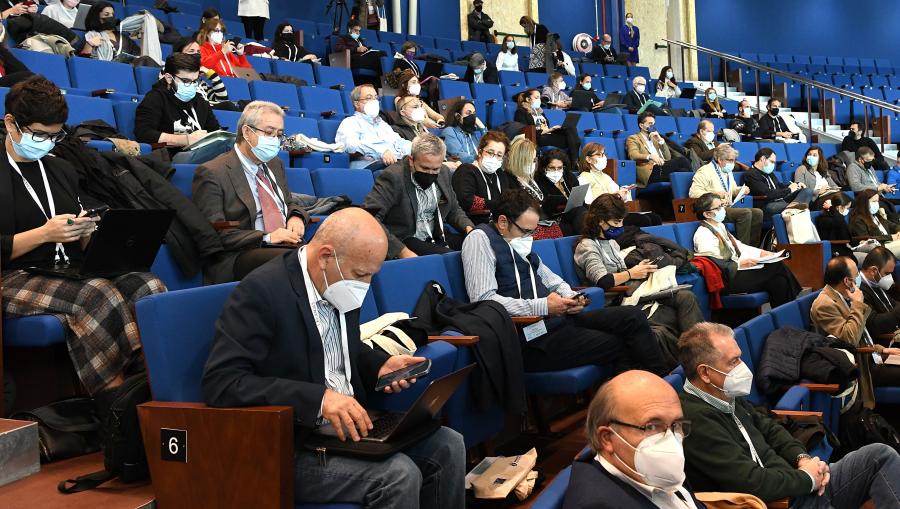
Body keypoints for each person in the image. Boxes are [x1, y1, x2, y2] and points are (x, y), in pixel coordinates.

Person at [201, 207, 466, 509]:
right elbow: (222, 382)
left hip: (345, 429)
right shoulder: (262, 292)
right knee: (398, 476)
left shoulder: (339, 281)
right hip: (291, 444)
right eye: (361, 274)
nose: (365, 285)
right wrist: (320, 399)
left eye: (371, 275)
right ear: (326, 256)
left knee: (448, 445)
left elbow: (341, 350)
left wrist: (379, 364)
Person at [1, 76, 165, 409]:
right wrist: (44, 234)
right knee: (97, 294)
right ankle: (118, 403)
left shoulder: (60, 168)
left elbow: (81, 233)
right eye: (38, 135)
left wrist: (90, 232)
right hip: (11, 276)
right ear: (10, 123)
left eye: (54, 135)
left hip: (67, 268)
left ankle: (158, 384)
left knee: (147, 285)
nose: (47, 142)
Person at [677, 322, 900, 507]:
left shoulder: (724, 395)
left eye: (740, 358)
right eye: (733, 361)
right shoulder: (695, 420)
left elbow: (771, 428)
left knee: (880, 456)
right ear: (705, 373)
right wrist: (808, 479)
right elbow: (752, 483)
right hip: (785, 501)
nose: (742, 367)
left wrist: (803, 459)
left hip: (797, 483)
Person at [461, 188, 670, 376]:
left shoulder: (517, 241)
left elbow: (550, 279)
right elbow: (484, 300)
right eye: (526, 231)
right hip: (527, 336)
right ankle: (636, 400)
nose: (530, 237)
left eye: (533, 231)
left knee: (632, 317)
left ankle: (663, 381)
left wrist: (571, 297)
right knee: (618, 342)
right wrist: (543, 306)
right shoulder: (480, 239)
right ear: (503, 222)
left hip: (555, 321)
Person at [192, 101, 309, 284]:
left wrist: (296, 216)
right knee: (297, 262)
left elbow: (289, 202)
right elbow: (213, 234)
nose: (275, 141)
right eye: (269, 133)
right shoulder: (212, 172)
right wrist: (267, 237)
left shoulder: (274, 164)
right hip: (238, 255)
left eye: (279, 135)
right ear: (247, 132)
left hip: (285, 246)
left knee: (333, 250)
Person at [576, 196, 703, 359]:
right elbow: (603, 281)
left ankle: (698, 354)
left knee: (686, 297)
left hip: (634, 293)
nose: (621, 227)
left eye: (622, 221)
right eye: (616, 222)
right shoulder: (587, 246)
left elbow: (620, 272)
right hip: (616, 302)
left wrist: (641, 269)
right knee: (672, 317)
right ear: (600, 221)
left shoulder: (612, 243)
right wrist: (632, 273)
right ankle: (691, 360)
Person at [565, 370, 708, 509]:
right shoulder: (598, 504)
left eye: (676, 424)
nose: (670, 439)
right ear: (607, 438)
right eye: (652, 427)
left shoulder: (648, 471)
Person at [363, 133, 474, 259]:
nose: (430, 173)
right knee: (452, 258)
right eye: (425, 168)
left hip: (436, 235)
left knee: (480, 247)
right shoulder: (393, 177)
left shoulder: (443, 172)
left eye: (435, 169)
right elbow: (370, 217)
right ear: (411, 160)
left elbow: (453, 209)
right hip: (406, 238)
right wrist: (401, 251)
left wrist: (469, 229)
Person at [811, 256, 900, 402]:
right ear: (847, 281)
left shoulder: (843, 296)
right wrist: (858, 305)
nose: (859, 278)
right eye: (856, 276)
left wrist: (881, 349)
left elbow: (861, 333)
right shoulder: (824, 304)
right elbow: (849, 339)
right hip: (861, 365)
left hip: (872, 355)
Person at [692, 193, 800, 307]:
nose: (723, 210)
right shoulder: (703, 234)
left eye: (722, 206)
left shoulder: (719, 226)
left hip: (736, 271)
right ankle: (798, 306)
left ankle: (784, 318)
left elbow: (738, 246)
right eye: (718, 208)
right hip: (727, 278)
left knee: (779, 282)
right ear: (707, 214)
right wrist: (740, 264)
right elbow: (713, 263)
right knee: (776, 266)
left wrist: (761, 253)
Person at [135, 53, 223, 163]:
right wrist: (186, 139)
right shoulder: (155, 98)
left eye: (194, 81)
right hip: (173, 156)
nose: (191, 86)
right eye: (185, 81)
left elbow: (215, 130)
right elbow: (144, 134)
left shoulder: (201, 102)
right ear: (169, 78)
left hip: (203, 153)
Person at [689, 144, 762, 246]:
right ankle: (742, 249)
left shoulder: (727, 171)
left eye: (734, 160)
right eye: (730, 160)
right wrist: (714, 194)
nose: (733, 163)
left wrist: (741, 190)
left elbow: (731, 190)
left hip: (727, 206)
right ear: (719, 159)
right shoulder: (705, 171)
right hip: (714, 209)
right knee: (745, 213)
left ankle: (754, 247)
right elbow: (693, 193)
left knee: (758, 212)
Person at [576, 142, 661, 227]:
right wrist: (616, 196)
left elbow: (617, 194)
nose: (604, 158)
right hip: (604, 217)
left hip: (616, 212)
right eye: (599, 155)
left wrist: (624, 192)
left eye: (604, 154)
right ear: (588, 159)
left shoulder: (606, 176)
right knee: (644, 220)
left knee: (655, 218)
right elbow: (589, 204)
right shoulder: (583, 178)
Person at [335, 84, 411, 170]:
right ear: (357, 104)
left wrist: (416, 149)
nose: (374, 101)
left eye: (375, 97)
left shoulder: (382, 124)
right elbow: (350, 145)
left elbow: (398, 141)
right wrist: (381, 151)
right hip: (372, 165)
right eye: (368, 98)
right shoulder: (350, 122)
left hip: (396, 163)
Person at [451, 131, 515, 225]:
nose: (494, 158)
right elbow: (467, 201)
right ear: (480, 152)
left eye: (499, 155)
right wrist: (499, 204)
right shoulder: (466, 170)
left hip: (501, 223)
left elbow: (509, 199)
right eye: (490, 152)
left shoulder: (500, 174)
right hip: (476, 224)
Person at [515, 88, 581, 164]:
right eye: (536, 98)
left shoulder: (540, 111)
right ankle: (575, 161)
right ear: (527, 99)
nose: (539, 100)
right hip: (537, 137)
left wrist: (554, 129)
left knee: (570, 128)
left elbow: (545, 125)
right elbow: (525, 130)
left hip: (548, 135)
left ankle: (574, 161)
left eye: (539, 98)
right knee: (573, 141)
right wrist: (548, 130)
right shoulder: (521, 111)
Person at [743, 147, 814, 218]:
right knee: (799, 207)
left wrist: (795, 184)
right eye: (772, 162)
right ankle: (794, 207)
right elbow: (768, 193)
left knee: (808, 191)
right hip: (767, 204)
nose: (773, 165)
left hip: (780, 200)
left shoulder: (768, 172)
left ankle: (793, 207)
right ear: (763, 159)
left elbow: (779, 186)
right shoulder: (751, 174)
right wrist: (789, 190)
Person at [626, 112, 691, 187]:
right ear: (641, 125)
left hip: (663, 168)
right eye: (650, 123)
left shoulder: (655, 138)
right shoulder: (633, 138)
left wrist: (661, 141)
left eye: (653, 123)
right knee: (682, 160)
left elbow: (667, 157)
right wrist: (650, 156)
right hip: (650, 172)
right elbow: (633, 155)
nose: (652, 126)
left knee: (683, 172)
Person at [534, 149, 587, 236]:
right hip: (554, 217)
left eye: (559, 168)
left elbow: (581, 201)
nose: (556, 171)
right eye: (552, 168)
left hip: (573, 215)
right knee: (578, 215)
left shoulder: (569, 177)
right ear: (544, 168)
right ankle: (589, 238)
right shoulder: (539, 180)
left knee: (581, 211)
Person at [170, 37, 230, 108]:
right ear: (179, 54)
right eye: (191, 51)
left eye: (198, 52)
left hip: (206, 112)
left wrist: (212, 74)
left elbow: (222, 100)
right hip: (188, 110)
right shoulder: (170, 72)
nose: (196, 55)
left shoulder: (200, 82)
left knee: (235, 105)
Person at [858, 247, 900, 337]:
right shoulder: (858, 291)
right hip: (883, 342)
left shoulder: (875, 282)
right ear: (874, 271)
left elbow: (894, 304)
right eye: (887, 273)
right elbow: (874, 324)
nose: (890, 278)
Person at [794, 145, 842, 210]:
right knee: (839, 200)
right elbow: (799, 190)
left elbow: (833, 185)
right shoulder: (801, 169)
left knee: (845, 198)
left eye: (814, 155)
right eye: (809, 154)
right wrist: (818, 191)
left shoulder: (823, 171)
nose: (811, 157)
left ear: (820, 158)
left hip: (829, 194)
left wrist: (834, 189)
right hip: (815, 200)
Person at [682, 120, 747, 168]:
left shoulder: (714, 141)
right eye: (709, 131)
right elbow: (698, 157)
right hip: (706, 167)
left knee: (736, 167)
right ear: (701, 131)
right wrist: (717, 149)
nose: (712, 134)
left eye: (712, 131)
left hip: (719, 164)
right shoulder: (693, 141)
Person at [442, 99, 486, 165]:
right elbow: (459, 156)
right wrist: (482, 160)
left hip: (478, 166)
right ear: (458, 116)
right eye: (468, 113)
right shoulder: (449, 131)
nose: (472, 117)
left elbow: (490, 146)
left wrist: (482, 128)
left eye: (474, 114)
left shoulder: (472, 134)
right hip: (462, 169)